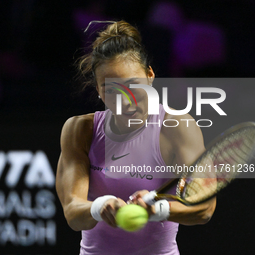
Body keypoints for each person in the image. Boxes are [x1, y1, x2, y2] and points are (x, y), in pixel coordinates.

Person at [56, 20, 216, 255]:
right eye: (111, 90)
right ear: (99, 91)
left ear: (150, 75)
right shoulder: (79, 130)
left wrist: (158, 209)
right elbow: (73, 213)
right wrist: (100, 207)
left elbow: (205, 208)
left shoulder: (177, 126)